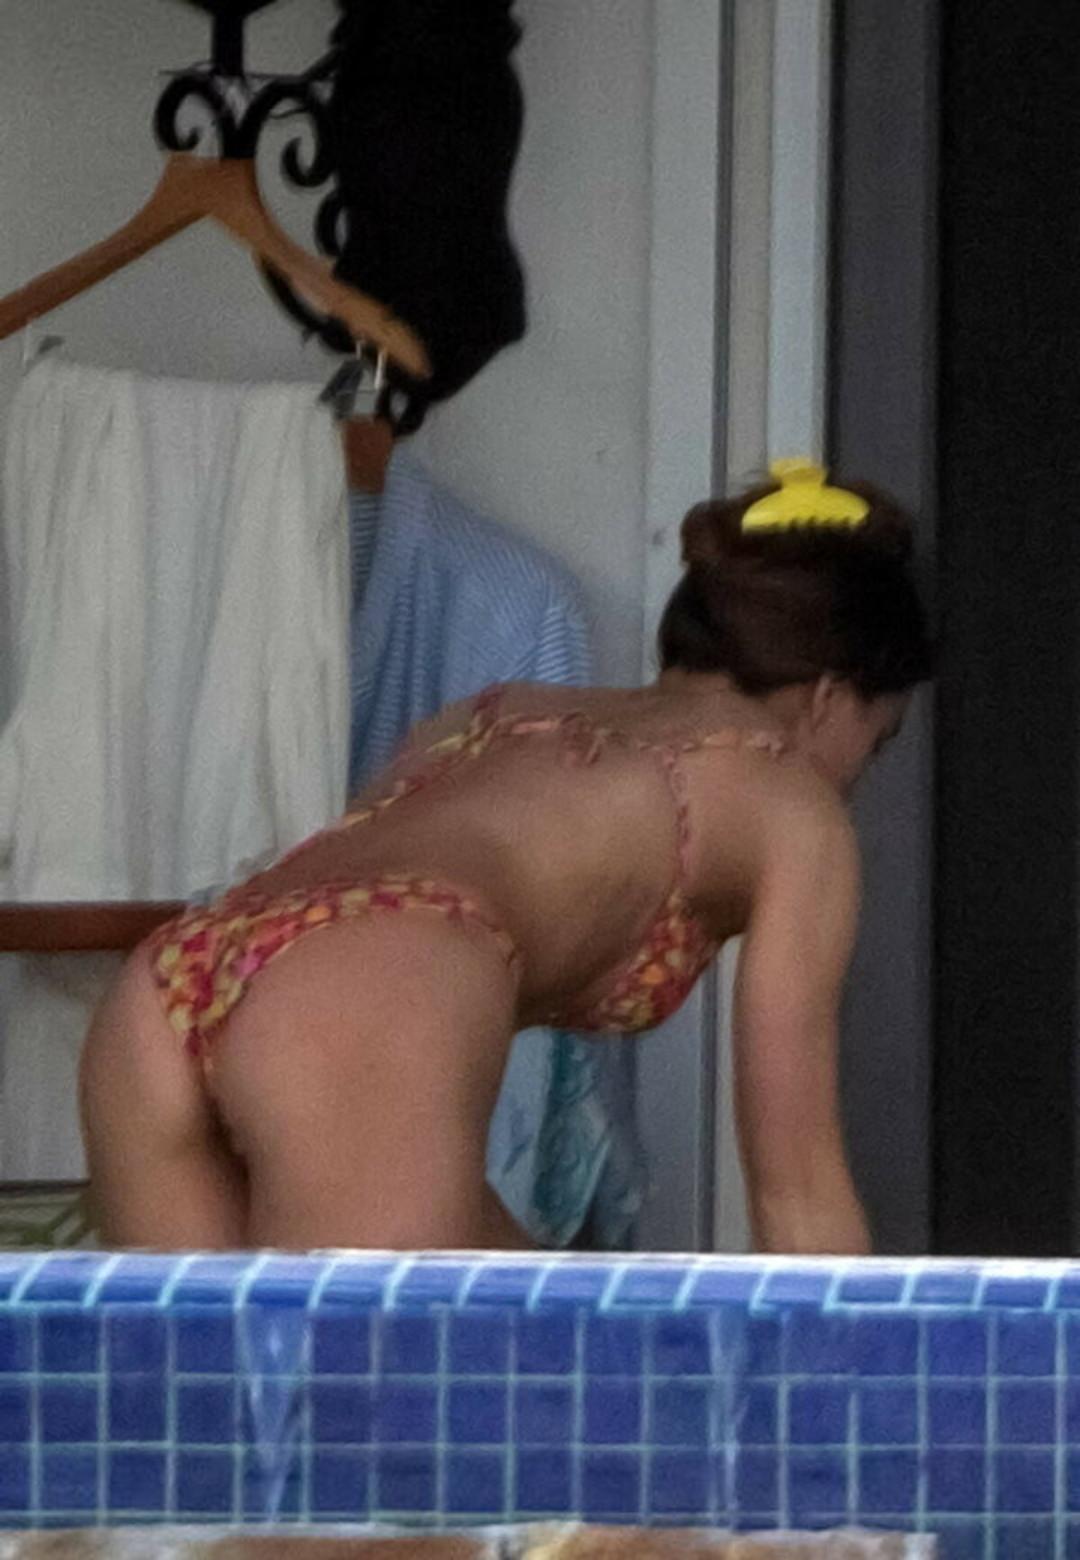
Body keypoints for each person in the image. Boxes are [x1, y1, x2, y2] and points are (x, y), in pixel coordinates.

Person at [79, 461, 932, 1255]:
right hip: (364, 989)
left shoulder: (491, 715)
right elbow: (798, 1196)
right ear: (828, 697)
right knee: (385, 1377)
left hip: (174, 980)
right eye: (879, 740)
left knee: (210, 1380)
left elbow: (340, 1034)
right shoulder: (792, 804)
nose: (860, 775)